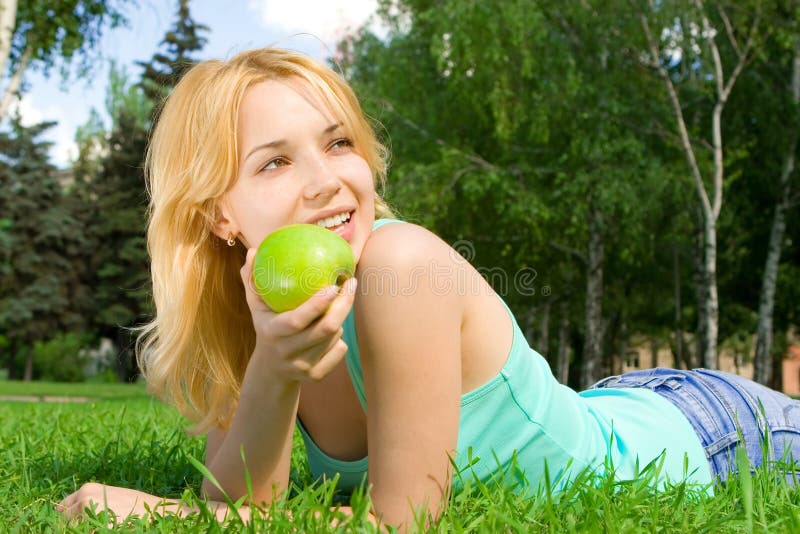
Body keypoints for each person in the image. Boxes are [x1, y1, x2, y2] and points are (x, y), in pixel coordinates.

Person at [57, 47, 800, 529]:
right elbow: (249, 502)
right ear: (220, 215)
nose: (326, 181)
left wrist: (163, 515)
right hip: (616, 398)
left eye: (338, 142)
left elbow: (400, 522)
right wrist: (276, 370)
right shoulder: (252, 318)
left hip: (714, 434)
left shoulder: (400, 263)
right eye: (275, 163)